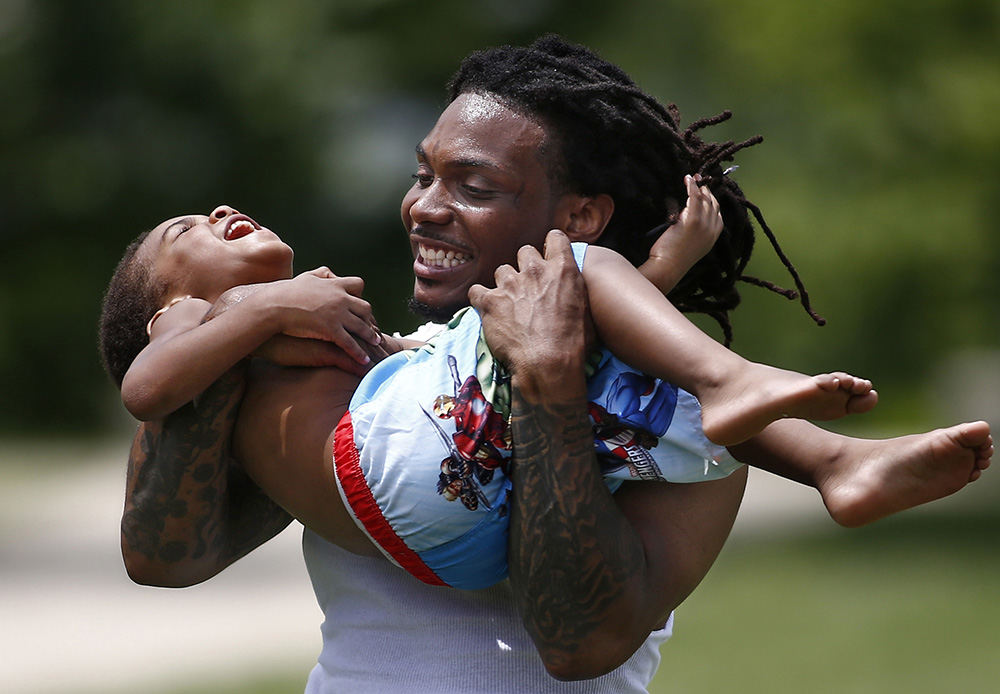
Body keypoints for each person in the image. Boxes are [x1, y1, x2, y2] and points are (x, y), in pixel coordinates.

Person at [114, 35, 991, 691]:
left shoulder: (673, 410)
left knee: (674, 384)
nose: (424, 208)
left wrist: (552, 390)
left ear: (579, 218)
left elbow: (576, 640)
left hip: (538, 452)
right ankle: (836, 459)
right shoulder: (367, 370)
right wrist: (247, 311)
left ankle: (839, 461)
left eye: (475, 186)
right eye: (424, 176)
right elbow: (165, 553)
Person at [101, 188, 885, 589]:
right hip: (411, 489)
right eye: (189, 231)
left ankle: (835, 463)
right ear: (167, 304)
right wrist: (273, 301)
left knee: (635, 386)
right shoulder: (198, 318)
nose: (222, 210)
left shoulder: (299, 337)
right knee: (569, 269)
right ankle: (747, 391)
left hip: (458, 534)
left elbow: (565, 353)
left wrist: (662, 272)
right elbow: (146, 391)